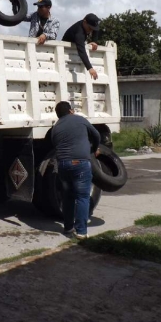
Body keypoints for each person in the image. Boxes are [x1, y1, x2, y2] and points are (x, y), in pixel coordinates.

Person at [50, 101, 101, 239]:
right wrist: (94, 148)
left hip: (63, 165)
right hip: (80, 164)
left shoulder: (55, 128)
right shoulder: (80, 119)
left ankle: (68, 228)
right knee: (83, 197)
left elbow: (55, 144)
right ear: (71, 111)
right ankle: (81, 232)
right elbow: (96, 135)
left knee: (68, 197)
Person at [61, 13, 101, 80]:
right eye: (90, 28)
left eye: (92, 29)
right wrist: (90, 68)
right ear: (84, 22)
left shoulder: (87, 26)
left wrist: (94, 41)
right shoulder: (79, 33)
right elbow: (81, 50)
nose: (91, 31)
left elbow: (95, 29)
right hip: (66, 52)